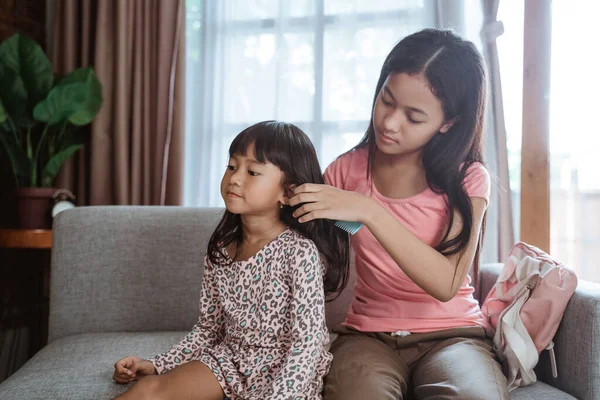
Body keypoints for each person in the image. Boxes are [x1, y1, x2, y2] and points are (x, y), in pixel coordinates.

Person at [288, 29, 509, 400]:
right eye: (386, 101)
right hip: (367, 337)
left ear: (448, 122)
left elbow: (445, 282)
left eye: (413, 116)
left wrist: (369, 210)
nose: (390, 122)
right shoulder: (346, 172)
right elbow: (311, 256)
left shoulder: (467, 179)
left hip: (454, 335)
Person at [112, 121, 350, 400]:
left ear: (287, 192)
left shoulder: (299, 253)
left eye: (252, 172)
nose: (235, 178)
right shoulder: (221, 250)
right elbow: (209, 328)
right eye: (232, 166)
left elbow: (306, 345)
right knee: (147, 391)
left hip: (283, 372)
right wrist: (157, 364)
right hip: (228, 361)